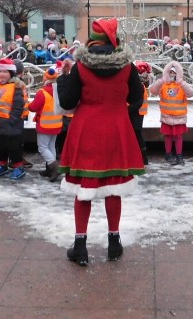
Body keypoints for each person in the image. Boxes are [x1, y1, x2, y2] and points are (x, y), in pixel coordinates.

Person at [55, 18, 144, 265]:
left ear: (92, 40)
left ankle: (80, 246)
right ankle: (114, 244)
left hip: (86, 130)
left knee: (83, 190)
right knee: (113, 187)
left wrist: (63, 79)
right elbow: (137, 97)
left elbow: (67, 103)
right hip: (116, 129)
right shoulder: (128, 67)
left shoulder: (80, 67)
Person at [0, 57, 27, 180]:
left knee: (14, 147)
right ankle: (3, 165)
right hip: (0, 122)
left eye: (5, 72)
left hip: (12, 123)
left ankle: (18, 167)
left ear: (11, 73)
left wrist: (12, 120)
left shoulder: (16, 87)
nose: (1, 74)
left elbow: (18, 105)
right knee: (2, 146)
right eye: (0, 71)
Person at [149, 60, 193, 165]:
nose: (172, 75)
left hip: (179, 117)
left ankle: (179, 155)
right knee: (168, 136)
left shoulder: (182, 85)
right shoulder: (163, 85)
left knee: (179, 136)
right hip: (166, 116)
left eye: (174, 73)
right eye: (170, 73)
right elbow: (153, 91)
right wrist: (161, 81)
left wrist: (181, 82)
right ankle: (168, 154)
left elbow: (191, 93)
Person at [28, 64, 63, 181]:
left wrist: (28, 105)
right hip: (57, 124)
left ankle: (55, 167)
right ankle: (50, 170)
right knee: (51, 146)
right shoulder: (59, 91)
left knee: (42, 147)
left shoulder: (42, 92)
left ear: (45, 79)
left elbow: (33, 108)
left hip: (45, 125)